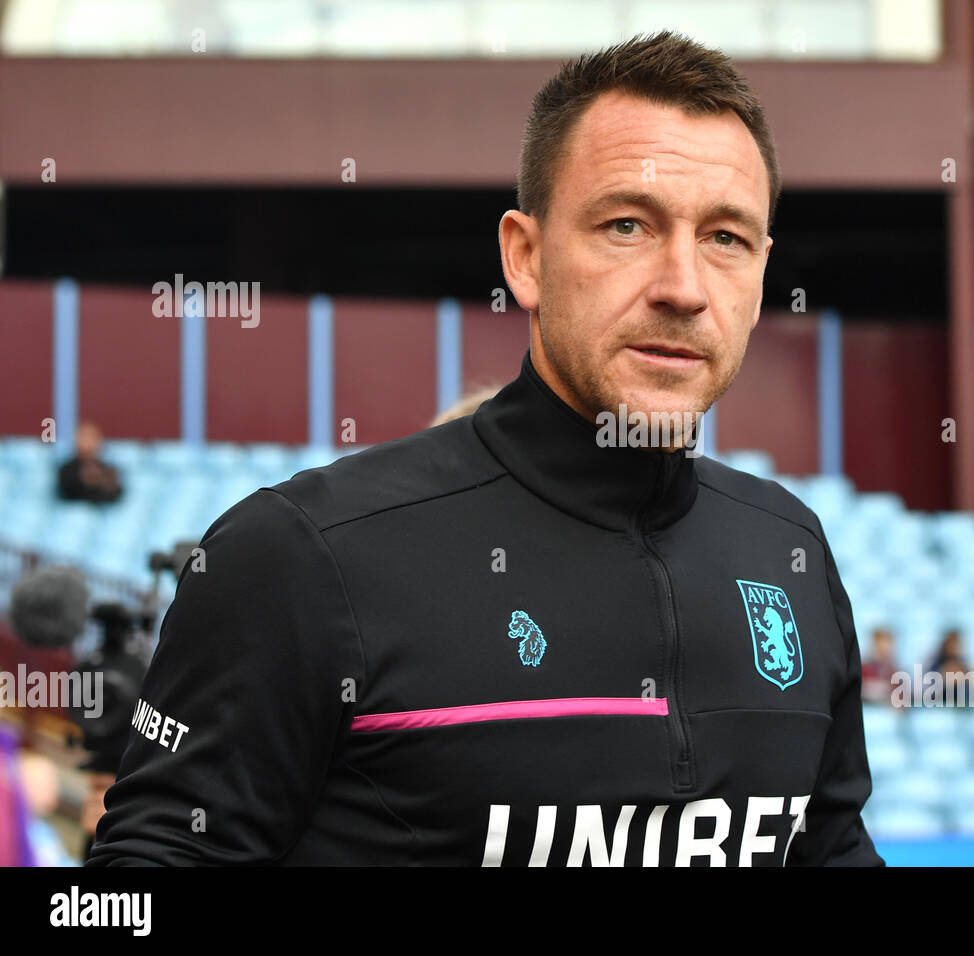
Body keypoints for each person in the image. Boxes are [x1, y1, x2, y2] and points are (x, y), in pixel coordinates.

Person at [87, 30, 883, 867]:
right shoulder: (302, 554)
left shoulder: (790, 551)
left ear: (761, 276)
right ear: (526, 257)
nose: (683, 287)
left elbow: (832, 849)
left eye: (725, 238)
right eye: (626, 225)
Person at [56, 422, 123, 504]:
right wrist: (87, 481)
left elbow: (116, 494)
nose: (88, 443)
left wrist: (99, 481)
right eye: (84, 437)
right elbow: (67, 492)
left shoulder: (108, 470)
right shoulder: (66, 470)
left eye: (92, 437)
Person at [925, 628, 974, 708]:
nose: (954, 647)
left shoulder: (962, 661)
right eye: (952, 644)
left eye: (956, 644)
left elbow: (972, 679)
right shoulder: (936, 661)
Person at [861, 627, 901, 708]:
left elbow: (900, 700)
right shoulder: (863, 669)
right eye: (880, 644)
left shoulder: (894, 672)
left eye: (886, 644)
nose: (884, 648)